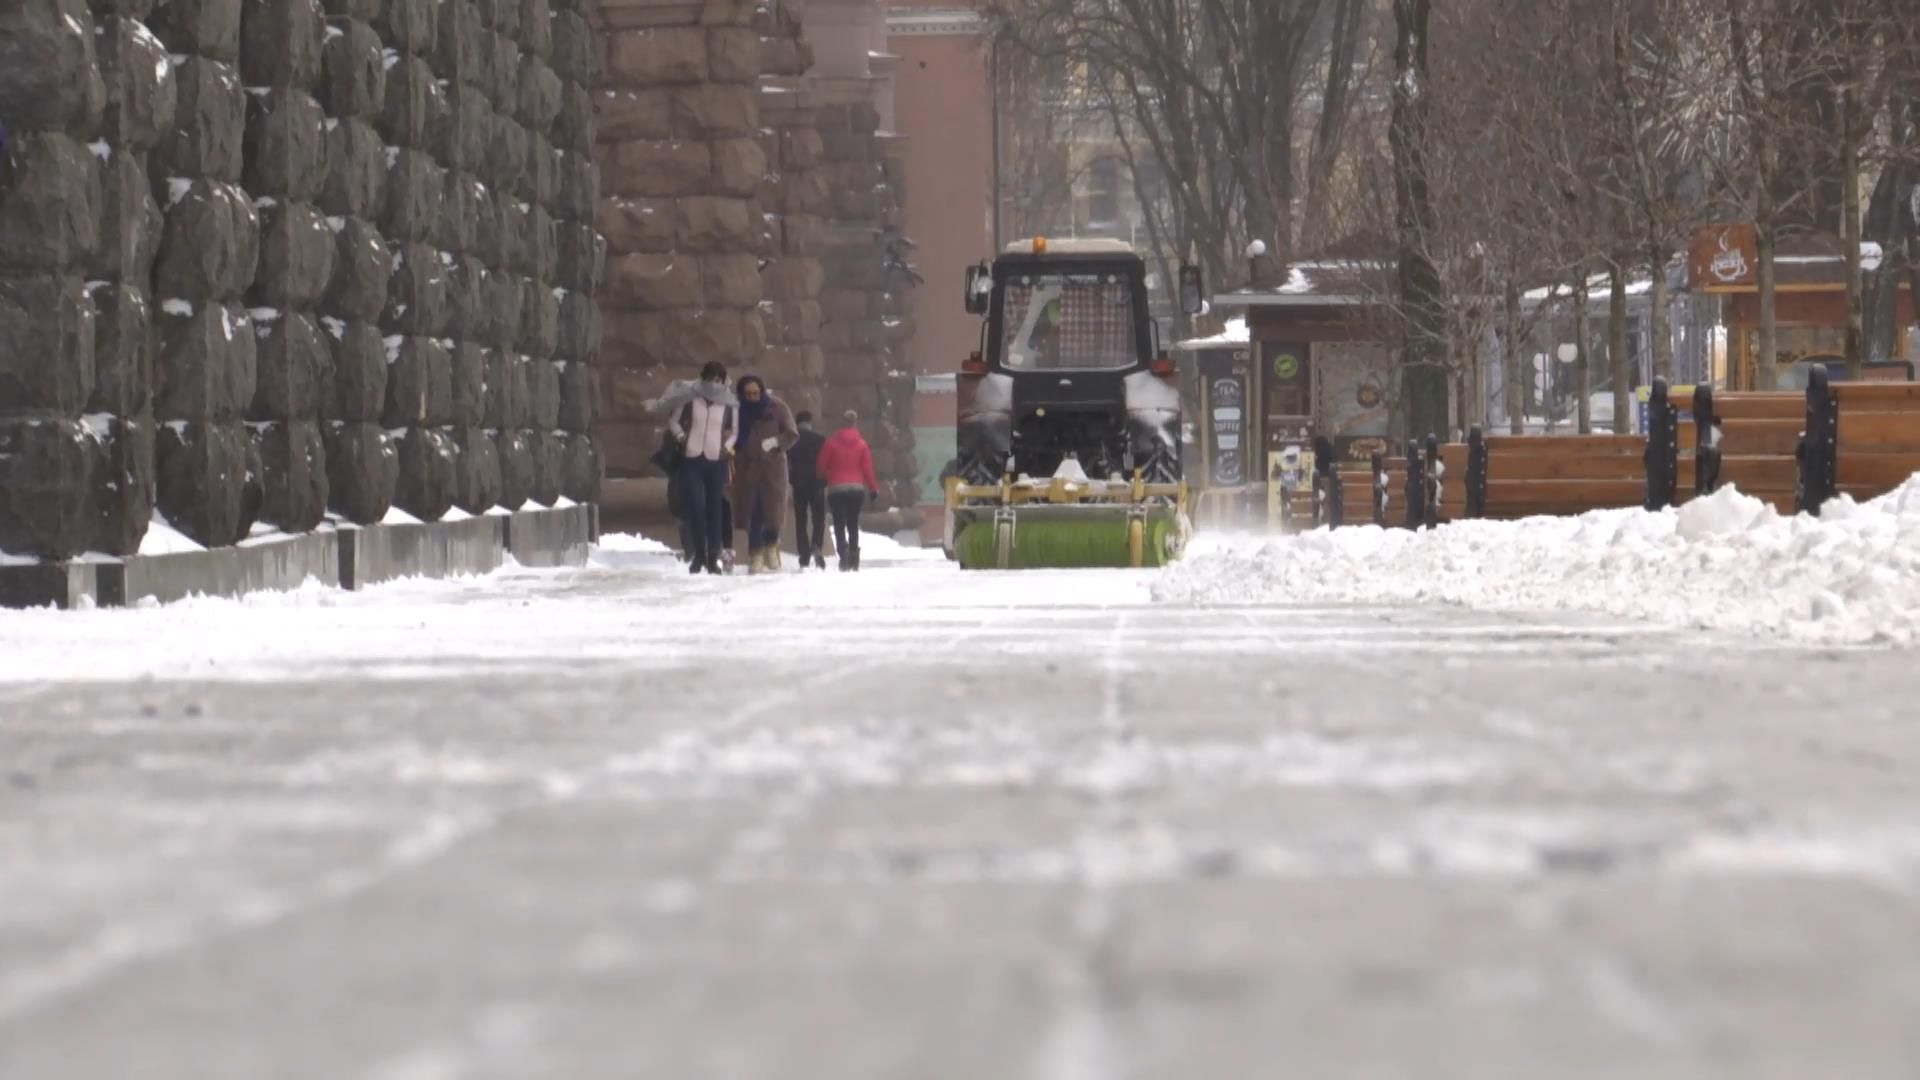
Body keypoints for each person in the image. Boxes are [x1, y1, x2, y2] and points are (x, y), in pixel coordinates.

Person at [660, 361, 737, 575]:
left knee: (715, 508)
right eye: (710, 379)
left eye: (718, 380)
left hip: (716, 458)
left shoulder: (729, 402)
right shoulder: (689, 397)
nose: (714, 384)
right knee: (696, 506)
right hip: (692, 457)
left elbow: (735, 431)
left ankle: (713, 556)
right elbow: (674, 421)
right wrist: (682, 438)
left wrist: (726, 446)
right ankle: (699, 555)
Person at [731, 375, 800, 573]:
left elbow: (791, 433)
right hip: (747, 470)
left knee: (773, 513)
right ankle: (755, 554)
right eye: (748, 394)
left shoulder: (777, 407)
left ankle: (771, 546)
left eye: (755, 393)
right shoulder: (737, 411)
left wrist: (776, 442)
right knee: (752, 512)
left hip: (773, 469)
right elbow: (729, 434)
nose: (752, 397)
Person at [817, 410, 879, 571]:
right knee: (853, 522)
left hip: (836, 489)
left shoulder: (830, 443)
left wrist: (823, 478)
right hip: (856, 489)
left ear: (842, 423)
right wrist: (873, 488)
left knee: (839, 523)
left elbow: (821, 466)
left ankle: (843, 553)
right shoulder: (862, 444)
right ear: (855, 423)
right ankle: (854, 555)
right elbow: (867, 469)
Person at [788, 410, 829, 570]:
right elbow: (825, 461)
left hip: (799, 482)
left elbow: (788, 461)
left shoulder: (793, 439)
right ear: (810, 422)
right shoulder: (820, 439)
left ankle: (803, 554)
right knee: (819, 517)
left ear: (797, 423)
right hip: (817, 482)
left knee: (801, 519)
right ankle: (817, 546)